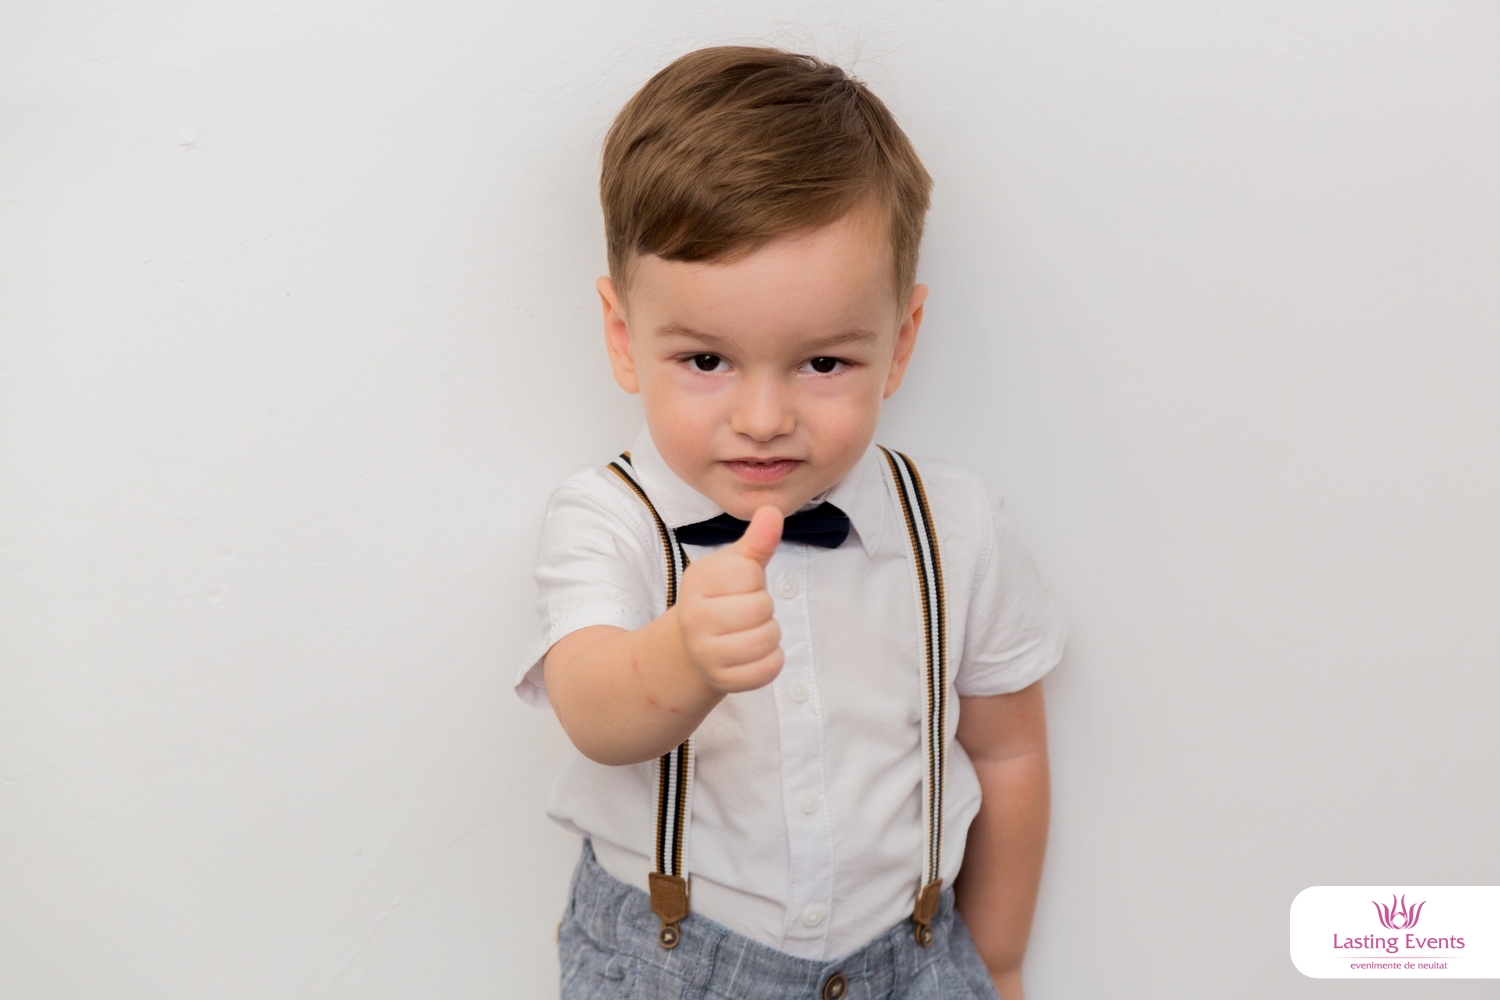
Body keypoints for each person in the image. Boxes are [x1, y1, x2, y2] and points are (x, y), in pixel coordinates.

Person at [516, 46, 1067, 1000]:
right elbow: (594, 713)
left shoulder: (958, 528)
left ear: (899, 343)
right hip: (668, 969)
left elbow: (1008, 750)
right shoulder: (608, 520)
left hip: (913, 960)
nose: (765, 418)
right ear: (624, 338)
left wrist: (1003, 960)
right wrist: (682, 655)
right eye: (706, 361)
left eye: (822, 364)